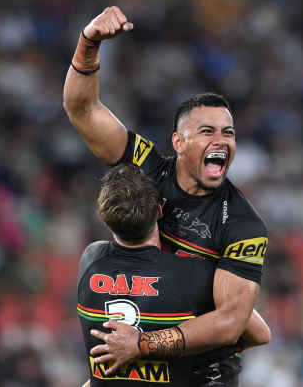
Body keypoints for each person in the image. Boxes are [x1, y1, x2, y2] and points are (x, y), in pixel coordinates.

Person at [64, 6, 270, 386]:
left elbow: (230, 324)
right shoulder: (147, 169)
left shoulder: (242, 223)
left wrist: (142, 344)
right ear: (178, 141)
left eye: (229, 132)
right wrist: (88, 43)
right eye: (207, 131)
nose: (221, 141)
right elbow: (83, 109)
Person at [78, 163, 217, 385]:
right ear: (160, 212)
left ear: (106, 218)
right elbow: (256, 332)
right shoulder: (192, 274)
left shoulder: (91, 259)